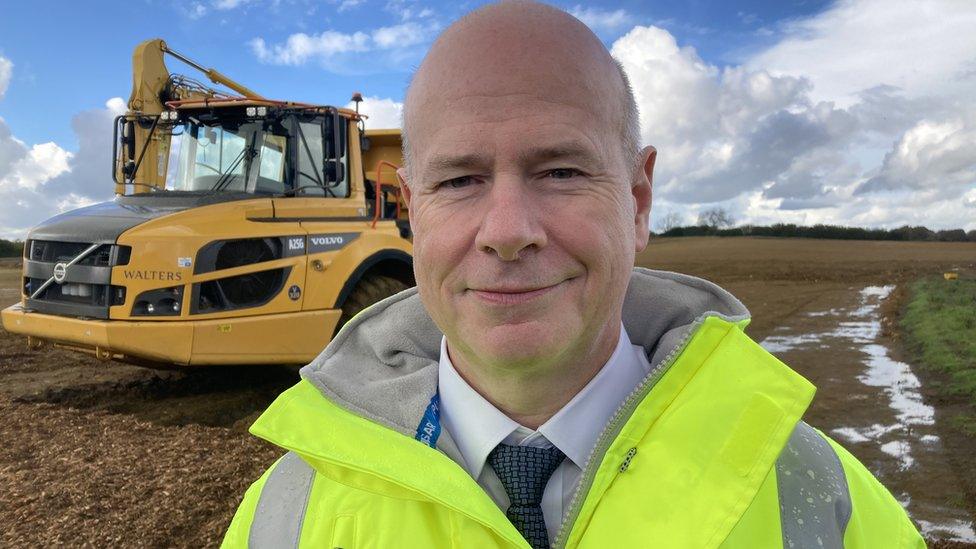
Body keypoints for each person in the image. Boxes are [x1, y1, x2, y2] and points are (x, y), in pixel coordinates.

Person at [222, 2, 924, 547]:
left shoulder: (816, 499)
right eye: (461, 179)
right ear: (413, 213)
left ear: (638, 200)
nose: (506, 231)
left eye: (560, 170)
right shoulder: (284, 518)